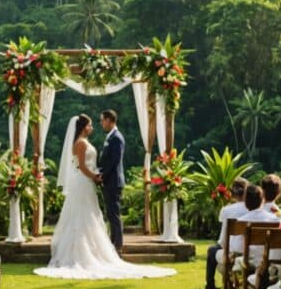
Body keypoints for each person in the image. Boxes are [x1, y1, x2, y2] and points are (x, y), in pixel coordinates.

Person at [34, 114, 175, 279]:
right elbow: (79, 167)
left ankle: (100, 248)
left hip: (88, 182)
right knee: (83, 216)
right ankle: (80, 252)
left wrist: (97, 174)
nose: (92, 128)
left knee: (91, 215)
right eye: (90, 125)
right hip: (83, 182)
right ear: (82, 127)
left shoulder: (88, 141)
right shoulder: (80, 143)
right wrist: (95, 176)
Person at [203, 177, 249, 289]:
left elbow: (223, 237)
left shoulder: (227, 210)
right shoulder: (253, 209)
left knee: (212, 251)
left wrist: (221, 244)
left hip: (232, 252)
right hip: (250, 251)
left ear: (232, 193)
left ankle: (210, 286)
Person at [236, 184, 281, 270]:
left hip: (249, 260)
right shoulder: (274, 219)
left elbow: (237, 247)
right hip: (269, 259)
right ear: (262, 200)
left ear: (245, 202)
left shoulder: (241, 220)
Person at [98, 109, 125, 252]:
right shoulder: (110, 137)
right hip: (110, 181)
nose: (101, 123)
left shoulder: (116, 138)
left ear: (109, 120)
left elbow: (114, 161)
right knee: (110, 213)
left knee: (114, 214)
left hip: (114, 182)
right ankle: (113, 242)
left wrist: (102, 175)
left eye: (102, 120)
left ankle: (118, 246)